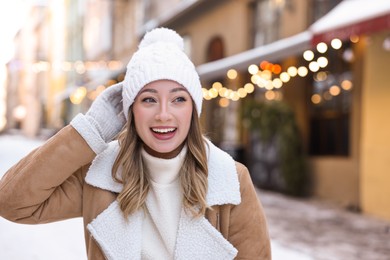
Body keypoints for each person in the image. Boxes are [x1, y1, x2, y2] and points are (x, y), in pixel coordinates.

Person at [0, 27, 271, 259]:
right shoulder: (101, 175)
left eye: (178, 99)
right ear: (129, 110)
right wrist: (89, 131)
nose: (163, 114)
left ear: (193, 109)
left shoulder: (229, 179)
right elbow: (12, 203)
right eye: (148, 99)